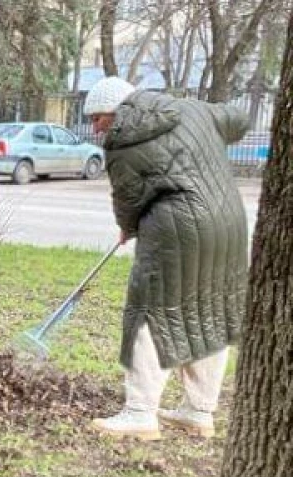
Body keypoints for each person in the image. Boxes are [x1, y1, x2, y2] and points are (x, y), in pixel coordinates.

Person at [83, 77, 250, 440]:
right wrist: (205, 123)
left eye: (97, 118)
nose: (95, 128)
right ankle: (199, 411)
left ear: (115, 110)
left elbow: (128, 197)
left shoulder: (121, 141)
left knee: (150, 312)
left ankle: (140, 412)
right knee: (210, 310)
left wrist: (127, 227)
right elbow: (240, 118)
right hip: (229, 224)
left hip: (176, 228)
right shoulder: (193, 108)